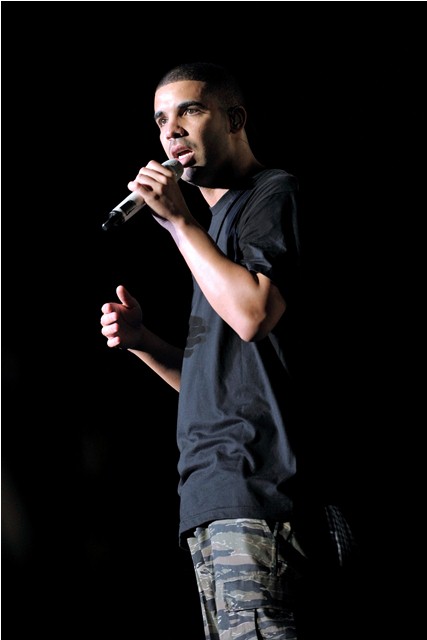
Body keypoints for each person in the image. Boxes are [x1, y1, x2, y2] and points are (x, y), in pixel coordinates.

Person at [100, 62, 358, 640]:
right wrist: (144, 343)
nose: (171, 130)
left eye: (189, 111)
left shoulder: (272, 193)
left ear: (235, 119)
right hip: (213, 497)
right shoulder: (210, 235)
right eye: (160, 120)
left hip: (264, 491)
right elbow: (219, 381)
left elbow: (253, 314)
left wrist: (178, 224)